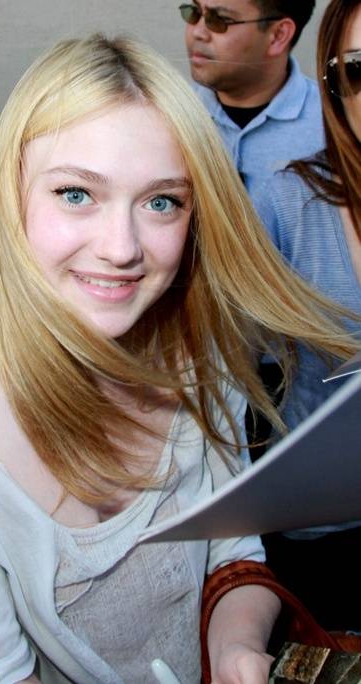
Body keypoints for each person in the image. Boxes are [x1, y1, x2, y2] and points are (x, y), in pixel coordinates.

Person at [0, 34, 355, 684]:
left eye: (161, 202)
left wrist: (235, 653)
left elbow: (234, 553)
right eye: (75, 194)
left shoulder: (198, 346)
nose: (122, 248)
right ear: (11, 192)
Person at [253, 0, 361, 631]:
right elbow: (222, 364)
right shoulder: (289, 200)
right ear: (335, 86)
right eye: (360, 69)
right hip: (327, 532)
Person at [179, 0, 323, 199]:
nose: (198, 32)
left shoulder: (335, 126)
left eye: (220, 19)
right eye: (194, 12)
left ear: (278, 35)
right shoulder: (170, 116)